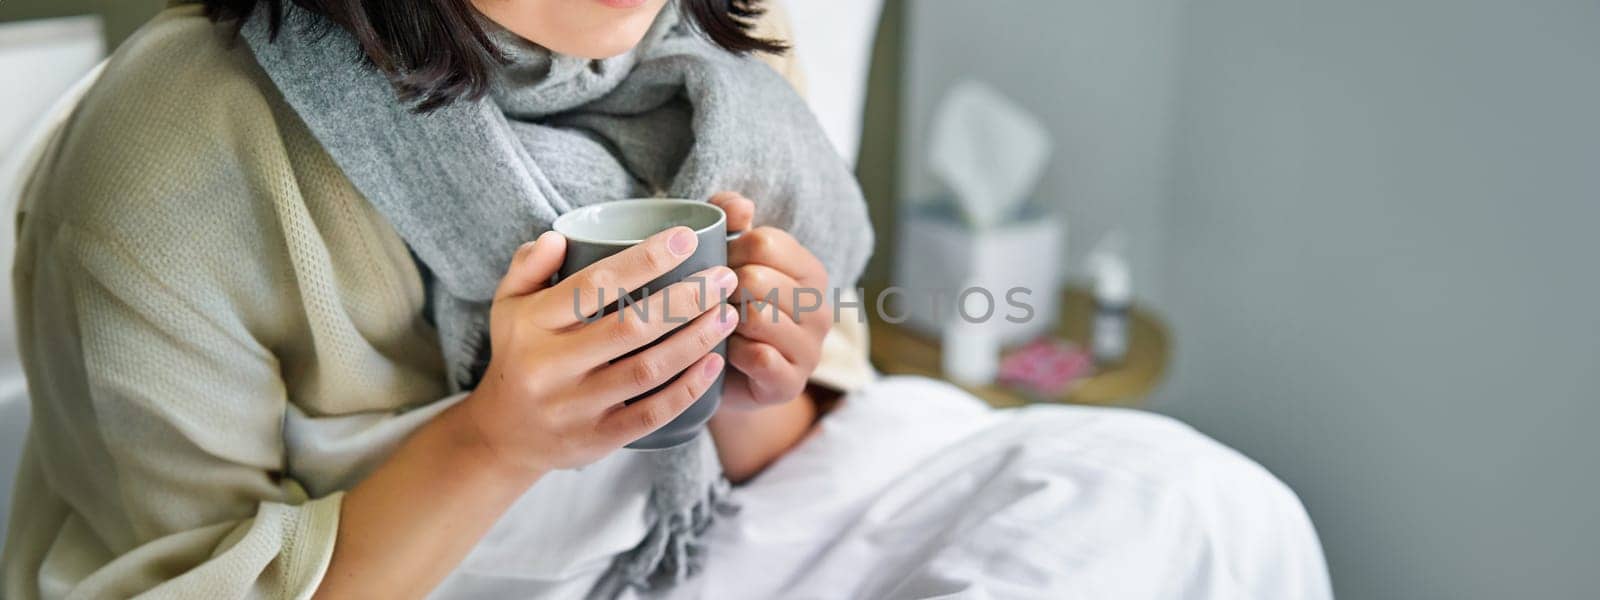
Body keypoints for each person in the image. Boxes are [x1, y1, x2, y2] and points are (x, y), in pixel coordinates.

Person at [2, 0, 1333, 598]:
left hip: (697, 546)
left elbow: (755, 461)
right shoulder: (172, 152)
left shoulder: (724, 56)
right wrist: (494, 440)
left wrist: (759, 390)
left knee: (1199, 509)